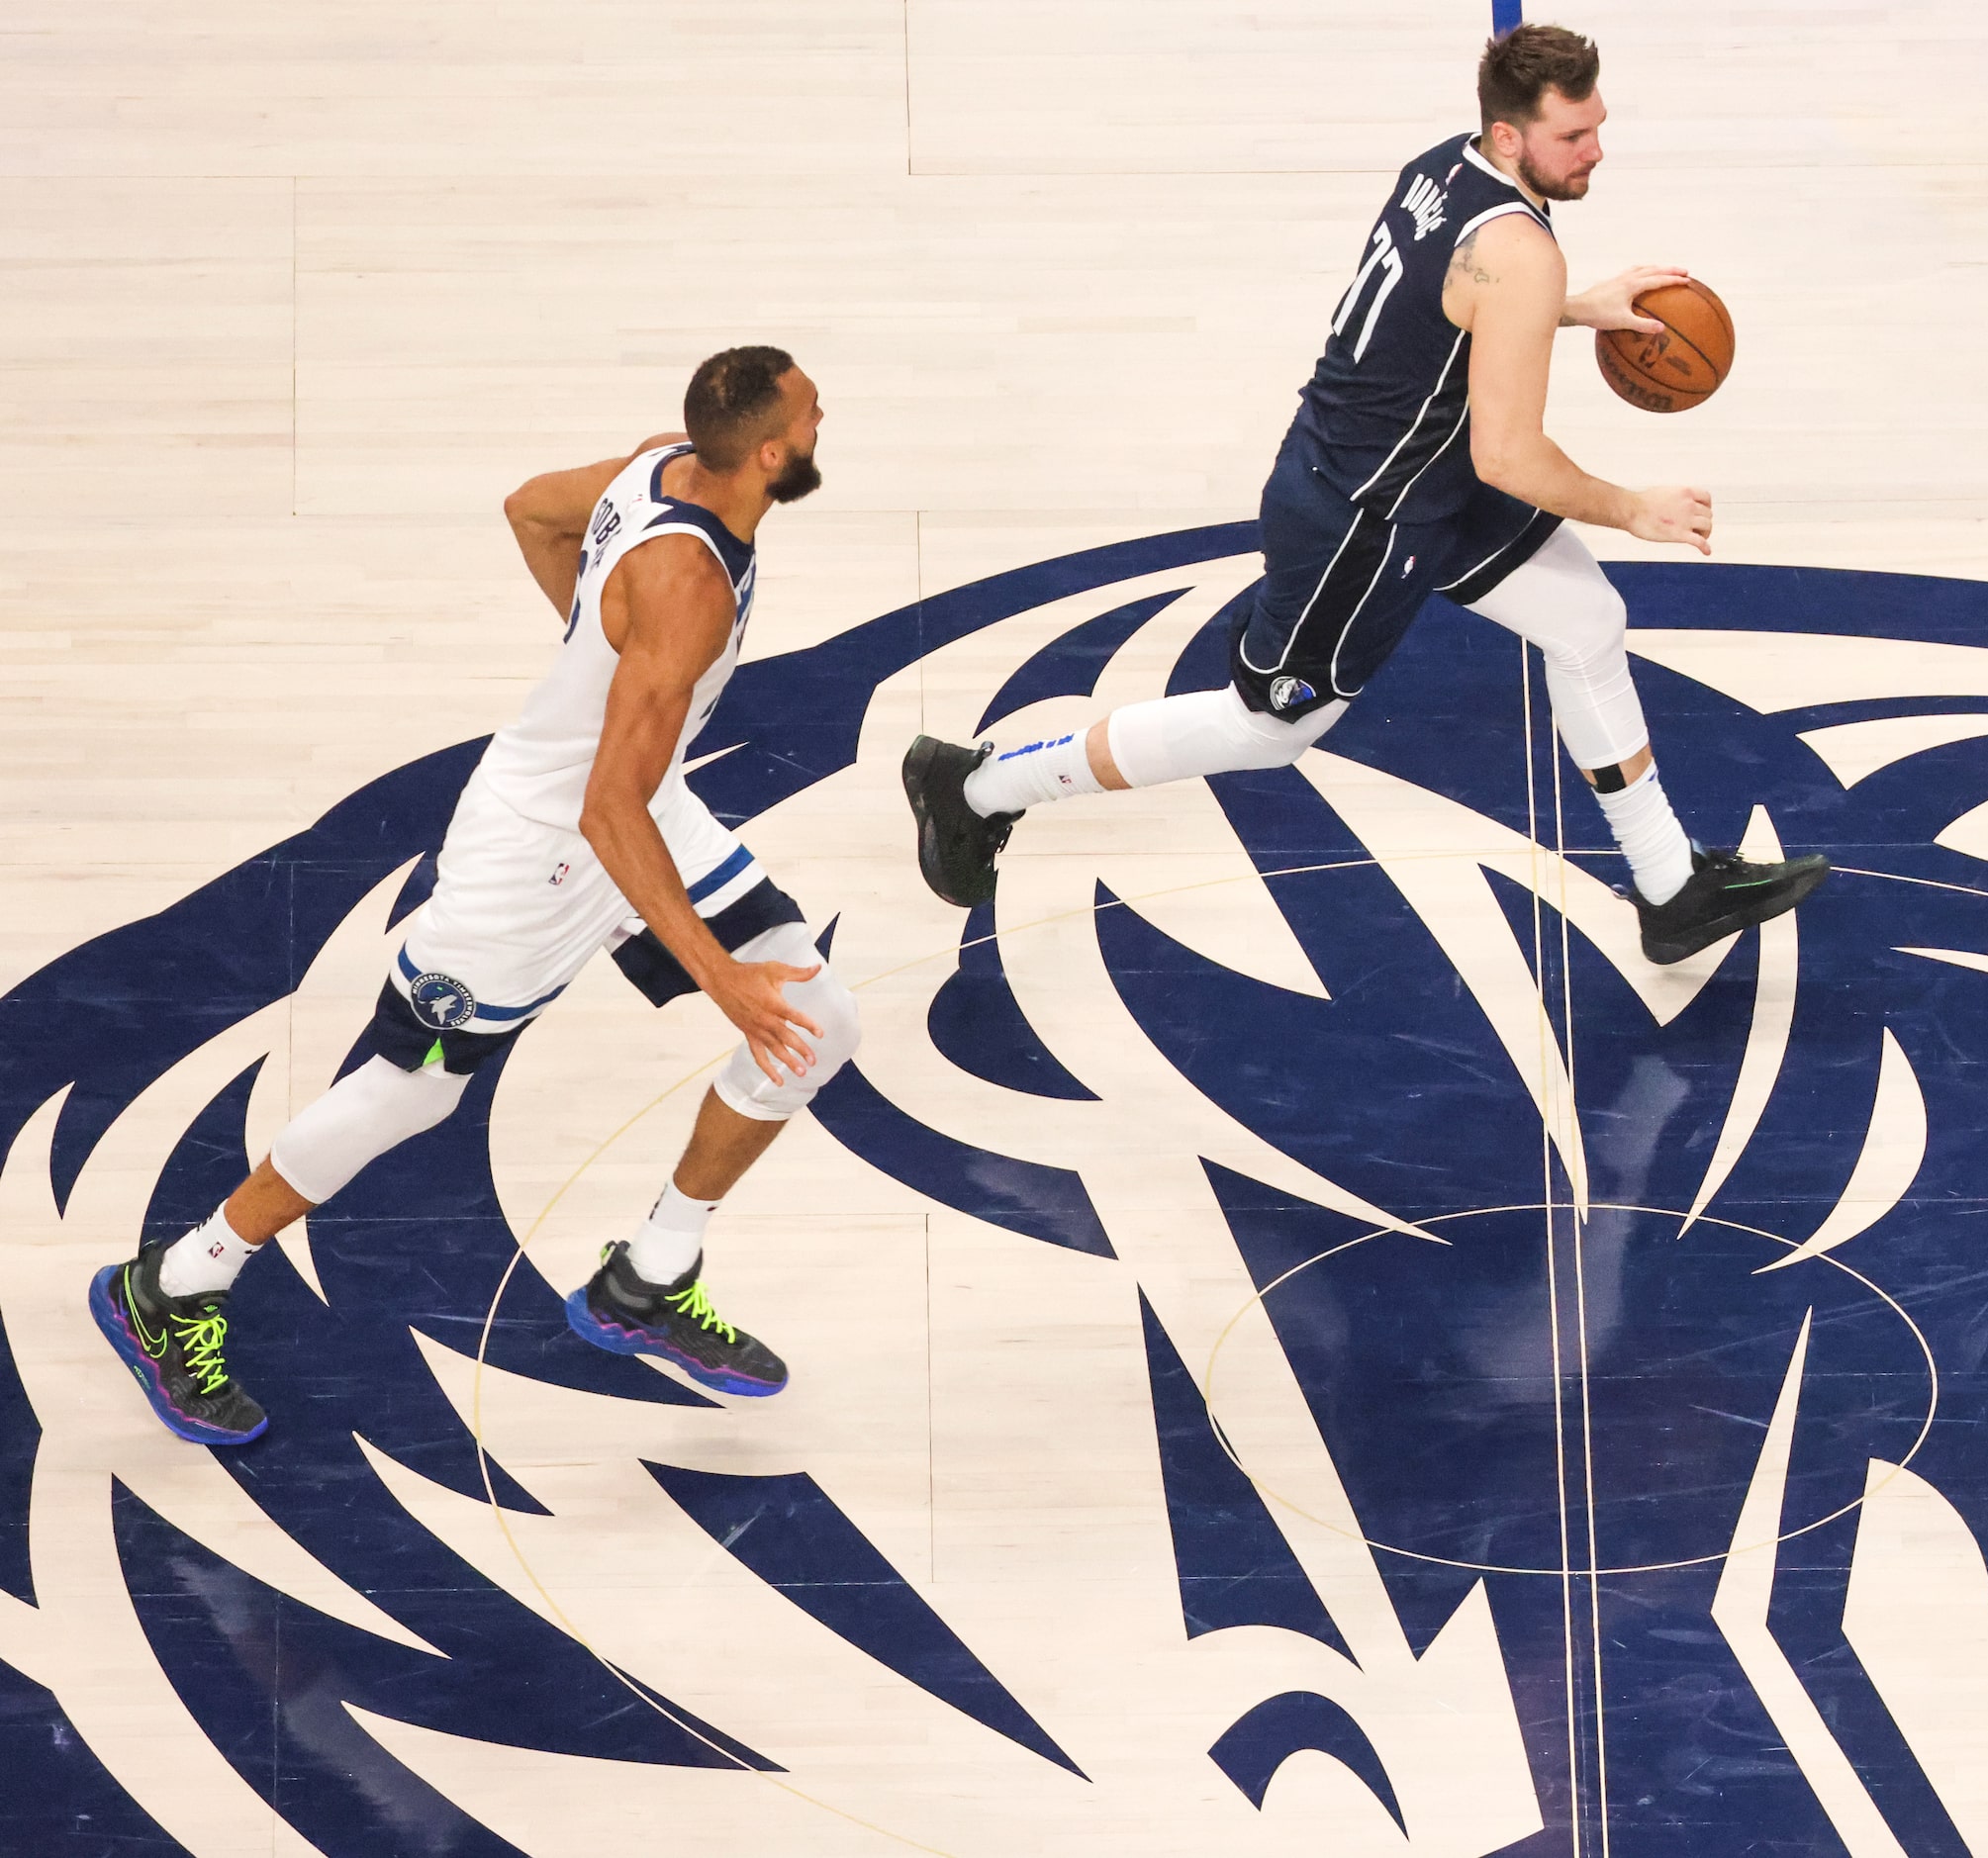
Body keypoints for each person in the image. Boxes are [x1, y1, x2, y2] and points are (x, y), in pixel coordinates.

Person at [901, 22, 1827, 964]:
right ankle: (977, 786)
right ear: (1510, 137)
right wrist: (1632, 508)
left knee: (1585, 619)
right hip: (1365, 518)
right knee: (1264, 732)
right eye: (1573, 137)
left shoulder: (1444, 167)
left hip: (1422, 472)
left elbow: (1452, 302)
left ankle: (1669, 886)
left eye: (1597, 127)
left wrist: (1580, 305)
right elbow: (1511, 454)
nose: (1596, 151)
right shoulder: (1518, 250)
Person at [92, 346, 857, 1445]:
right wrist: (715, 973)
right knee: (411, 1091)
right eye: (810, 406)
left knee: (818, 1024)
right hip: (541, 849)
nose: (825, 408)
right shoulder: (685, 586)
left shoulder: (656, 467)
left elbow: (529, 512)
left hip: (637, 804)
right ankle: (171, 1286)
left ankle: (648, 1276)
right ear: (773, 453)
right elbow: (604, 810)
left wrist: (599, 657)